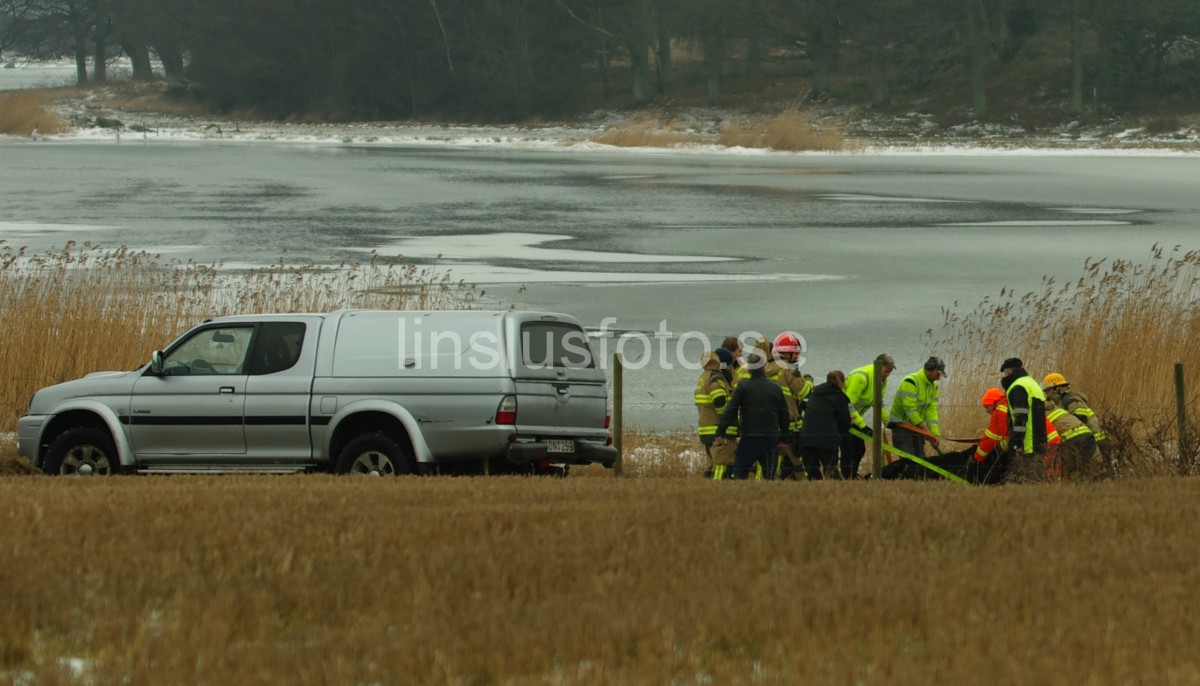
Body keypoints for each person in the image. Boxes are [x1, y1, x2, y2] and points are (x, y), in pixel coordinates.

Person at [714, 352, 790, 480]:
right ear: (764, 367)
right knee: (769, 477)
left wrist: (720, 431)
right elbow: (784, 414)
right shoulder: (775, 388)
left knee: (739, 475)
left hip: (749, 438)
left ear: (749, 368)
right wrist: (784, 438)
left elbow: (730, 410)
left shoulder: (743, 387)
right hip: (770, 438)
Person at [840, 353, 896, 479]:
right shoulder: (861, 377)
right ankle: (847, 478)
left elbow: (878, 403)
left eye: (890, 372)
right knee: (849, 450)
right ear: (878, 366)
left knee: (859, 450)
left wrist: (886, 421)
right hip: (841, 417)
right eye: (886, 371)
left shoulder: (882, 380)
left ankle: (852, 476)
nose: (887, 375)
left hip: (854, 419)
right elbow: (848, 404)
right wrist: (864, 427)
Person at [772, 331, 814, 480]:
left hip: (771, 423)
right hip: (790, 424)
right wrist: (808, 380)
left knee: (774, 458)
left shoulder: (766, 369)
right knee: (798, 458)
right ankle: (805, 484)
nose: (797, 356)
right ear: (787, 354)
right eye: (795, 353)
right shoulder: (789, 370)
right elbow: (805, 392)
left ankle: (772, 482)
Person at [887, 356, 945, 460]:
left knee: (921, 459)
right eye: (938, 373)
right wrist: (926, 431)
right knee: (908, 460)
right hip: (902, 426)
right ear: (929, 369)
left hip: (917, 426)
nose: (939, 377)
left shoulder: (934, 386)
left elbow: (931, 411)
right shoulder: (910, 382)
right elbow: (910, 411)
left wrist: (934, 434)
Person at [798, 371, 851, 480]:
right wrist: (840, 433)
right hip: (828, 439)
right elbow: (844, 423)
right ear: (842, 382)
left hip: (807, 438)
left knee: (812, 472)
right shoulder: (839, 397)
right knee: (831, 471)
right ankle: (839, 493)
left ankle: (813, 493)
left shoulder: (814, 393)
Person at [1042, 372, 1109, 458]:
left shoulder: (1070, 399)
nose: (1046, 393)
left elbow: (1081, 417)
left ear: (1057, 389)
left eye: (1048, 390)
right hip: (1090, 438)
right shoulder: (1060, 402)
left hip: (1094, 439)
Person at [695, 347, 738, 479]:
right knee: (722, 462)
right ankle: (718, 488)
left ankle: (707, 489)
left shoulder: (702, 377)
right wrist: (725, 420)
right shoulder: (716, 377)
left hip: (705, 427)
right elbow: (719, 400)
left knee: (711, 464)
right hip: (718, 427)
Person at [1000, 357, 1048, 463]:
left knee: (1022, 478)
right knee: (1036, 478)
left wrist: (1016, 443)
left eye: (1004, 373)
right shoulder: (1032, 383)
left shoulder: (1017, 387)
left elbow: (1021, 417)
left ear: (1008, 371)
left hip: (1026, 446)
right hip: (1040, 443)